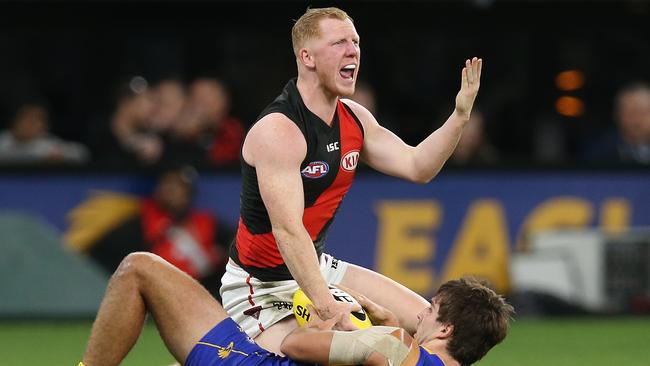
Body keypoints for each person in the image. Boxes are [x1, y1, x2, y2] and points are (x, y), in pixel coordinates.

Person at [220, 6, 484, 354]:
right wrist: (329, 308)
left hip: (314, 268)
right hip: (261, 284)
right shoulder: (279, 131)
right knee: (345, 353)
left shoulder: (354, 117)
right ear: (307, 57)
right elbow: (288, 231)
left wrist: (460, 116)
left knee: (437, 327)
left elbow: (418, 166)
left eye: (355, 42)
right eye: (339, 43)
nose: (353, 51)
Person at [79, 252, 514, 366]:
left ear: (445, 333)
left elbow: (293, 345)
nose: (418, 314)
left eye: (431, 312)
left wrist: (329, 321)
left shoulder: (396, 346)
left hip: (246, 363)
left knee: (140, 269)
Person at [65, 166, 233, 298]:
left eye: (179, 187)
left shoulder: (206, 222)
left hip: (200, 294)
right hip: (153, 294)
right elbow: (103, 255)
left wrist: (221, 257)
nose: (172, 191)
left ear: (189, 193)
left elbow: (238, 246)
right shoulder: (140, 220)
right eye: (168, 184)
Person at [581, 82, 650, 164]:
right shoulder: (598, 153)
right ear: (616, 115)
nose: (636, 121)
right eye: (630, 113)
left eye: (642, 112)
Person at [0, 101, 89, 164]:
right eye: (25, 120)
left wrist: (62, 156)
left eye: (34, 121)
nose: (28, 125)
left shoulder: (48, 145)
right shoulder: (3, 140)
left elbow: (81, 153)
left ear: (43, 127)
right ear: (15, 122)